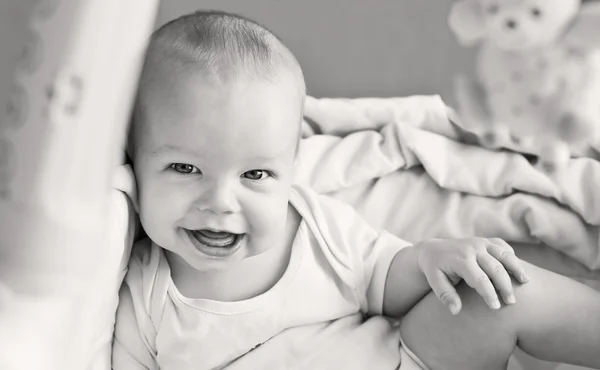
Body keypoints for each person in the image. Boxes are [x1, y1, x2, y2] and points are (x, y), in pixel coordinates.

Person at [112, 10, 600, 370]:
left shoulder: (313, 227)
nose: (220, 203)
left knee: (498, 293)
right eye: (184, 167)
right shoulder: (145, 294)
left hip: (407, 361)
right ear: (134, 162)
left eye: (255, 176)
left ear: (290, 169)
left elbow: (383, 275)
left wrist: (432, 258)